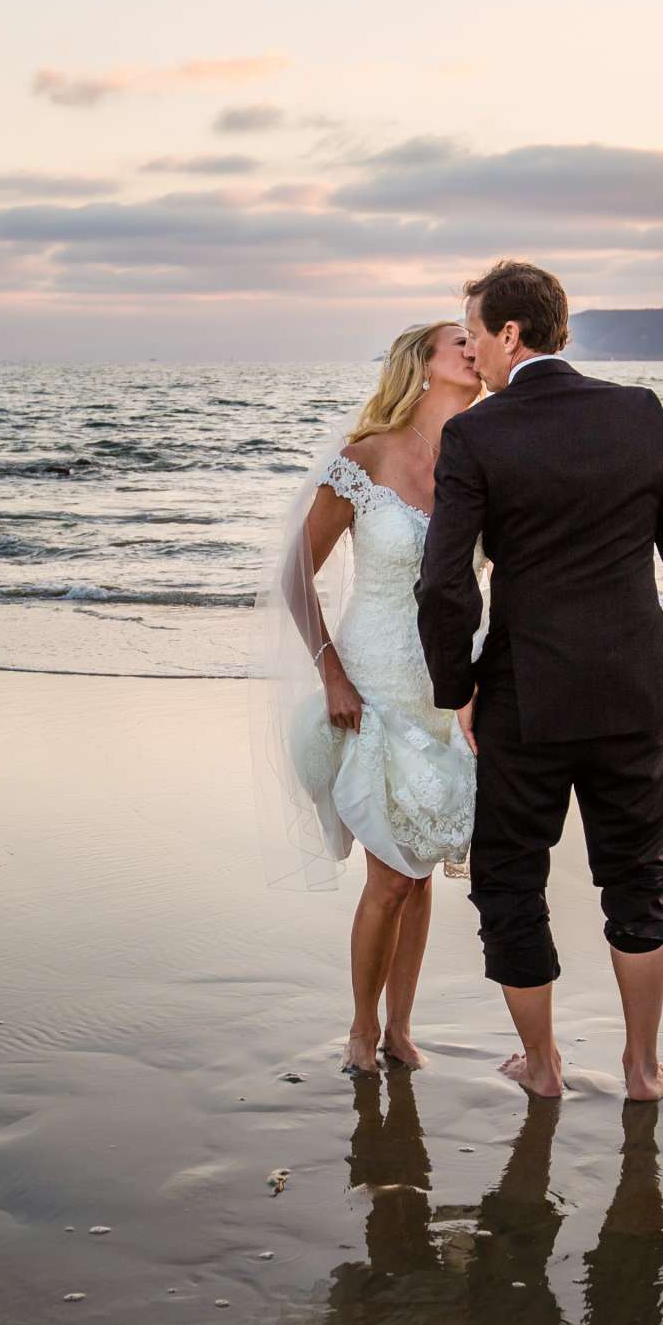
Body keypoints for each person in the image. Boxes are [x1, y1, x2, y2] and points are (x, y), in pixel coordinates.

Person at [415, 260, 663, 1102]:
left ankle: (545, 1067)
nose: (472, 350)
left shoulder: (476, 437)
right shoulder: (640, 412)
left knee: (511, 877)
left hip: (524, 696)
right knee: (637, 874)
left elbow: (445, 582)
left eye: (476, 333)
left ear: (510, 334)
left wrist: (458, 688)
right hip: (635, 692)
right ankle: (641, 1067)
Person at [260, 321, 484, 1075]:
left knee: (417, 872)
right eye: (459, 341)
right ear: (421, 364)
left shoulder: (481, 460)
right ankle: (361, 1028)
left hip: (446, 691)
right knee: (390, 873)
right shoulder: (364, 460)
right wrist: (329, 671)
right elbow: (295, 570)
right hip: (372, 684)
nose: (473, 348)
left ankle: (400, 1028)